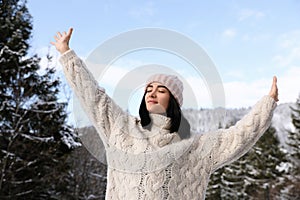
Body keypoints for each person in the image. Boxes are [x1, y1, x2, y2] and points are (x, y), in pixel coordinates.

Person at [51, 28, 279, 200]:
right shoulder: (121, 128)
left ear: (174, 100)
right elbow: (94, 97)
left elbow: (238, 137)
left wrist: (267, 104)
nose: (152, 93)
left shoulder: (194, 146)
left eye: (161, 90)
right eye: (149, 89)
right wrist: (67, 55)